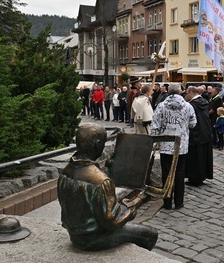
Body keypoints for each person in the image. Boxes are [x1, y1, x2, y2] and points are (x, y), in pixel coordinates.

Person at [57, 123, 158, 251]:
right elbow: (112, 221)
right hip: (94, 239)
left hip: (75, 235)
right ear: (97, 144)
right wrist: (134, 204)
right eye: (103, 143)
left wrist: (107, 170)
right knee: (150, 234)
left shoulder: (66, 172)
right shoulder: (101, 181)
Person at [150, 83, 196, 210]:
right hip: (181, 144)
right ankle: (179, 202)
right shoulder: (188, 106)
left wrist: (154, 142)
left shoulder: (161, 106)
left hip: (165, 144)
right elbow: (193, 123)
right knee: (180, 173)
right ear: (181, 92)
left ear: (169, 92)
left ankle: (167, 202)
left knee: (166, 173)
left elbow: (155, 126)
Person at [184, 86, 213, 187]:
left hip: (195, 134)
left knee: (195, 158)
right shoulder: (204, 102)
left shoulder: (192, 105)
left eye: (187, 93)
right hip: (206, 133)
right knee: (202, 157)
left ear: (191, 93)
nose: (187, 95)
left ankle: (195, 178)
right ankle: (202, 176)